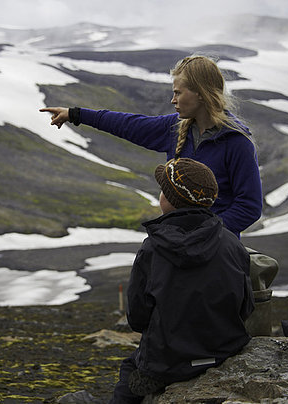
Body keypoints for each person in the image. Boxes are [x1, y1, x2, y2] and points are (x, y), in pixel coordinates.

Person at [40, 55, 262, 237]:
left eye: (178, 93)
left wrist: (206, 234)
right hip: (176, 243)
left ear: (200, 94)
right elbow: (128, 125)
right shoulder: (175, 127)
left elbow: (249, 206)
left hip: (216, 252)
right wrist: (75, 114)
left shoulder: (237, 142)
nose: (173, 100)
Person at [111, 158, 254, 403]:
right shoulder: (232, 243)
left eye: (163, 190)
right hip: (223, 353)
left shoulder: (152, 248)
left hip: (168, 362)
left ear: (169, 199)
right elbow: (246, 307)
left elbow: (137, 317)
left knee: (129, 371)